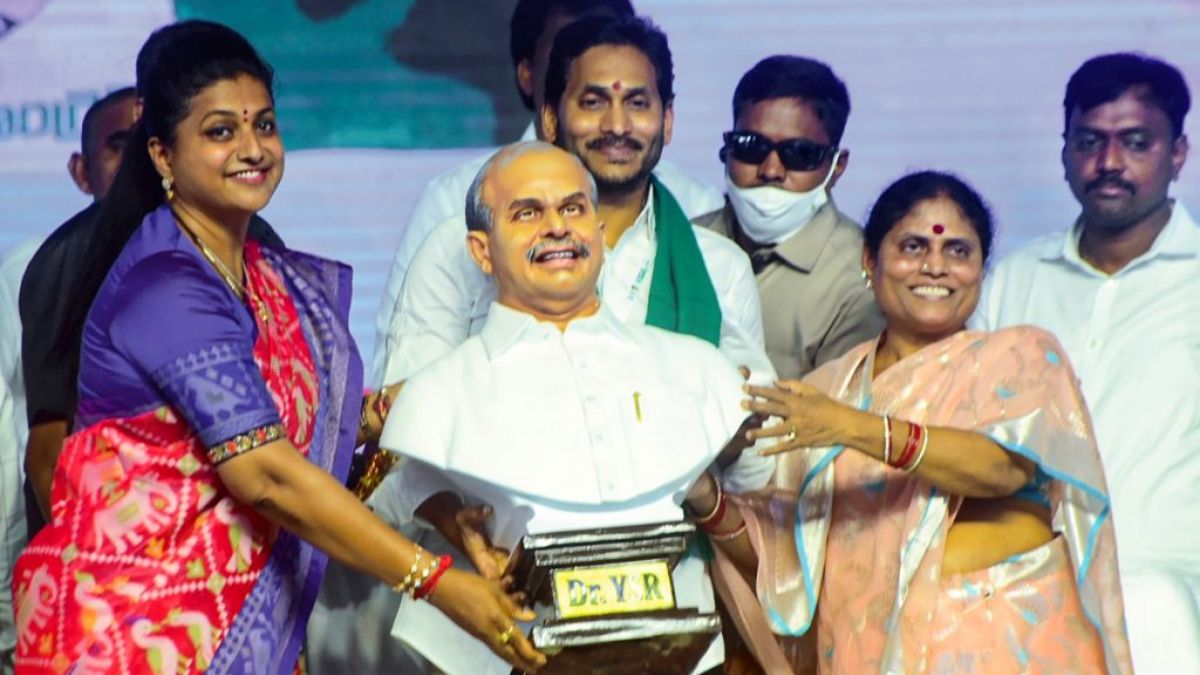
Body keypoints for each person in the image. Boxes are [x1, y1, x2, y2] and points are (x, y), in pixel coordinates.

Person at [10, 21, 544, 674]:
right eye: (219, 131)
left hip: (235, 627)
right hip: (133, 630)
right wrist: (435, 579)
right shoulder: (166, 285)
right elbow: (265, 472)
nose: (252, 147)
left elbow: (332, 428)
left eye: (263, 124)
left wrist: (450, 493)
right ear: (161, 154)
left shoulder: (263, 276)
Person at [697, 172, 1132, 674]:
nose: (935, 266)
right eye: (913, 245)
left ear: (981, 269)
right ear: (869, 261)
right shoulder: (827, 392)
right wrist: (705, 496)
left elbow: (1000, 469)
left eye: (959, 253)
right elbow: (789, 572)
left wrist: (854, 428)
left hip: (1005, 644)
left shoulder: (1017, 355)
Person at [378, 140, 768, 675]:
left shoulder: (699, 372)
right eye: (527, 213)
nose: (556, 227)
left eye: (572, 208)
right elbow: (390, 496)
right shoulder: (435, 397)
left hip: (676, 650)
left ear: (600, 237)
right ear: (481, 250)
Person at [973, 52, 1200, 673]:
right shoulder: (1014, 281)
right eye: (1090, 142)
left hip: (1170, 599)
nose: (1109, 164)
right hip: (1027, 598)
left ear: (1177, 152)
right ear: (1065, 150)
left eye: (1135, 143)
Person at [371, 0, 725, 385]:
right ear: (548, 109)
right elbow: (404, 399)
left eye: (636, 102)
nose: (617, 125)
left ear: (666, 116)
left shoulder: (704, 225)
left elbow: (749, 414)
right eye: (593, 101)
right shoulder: (453, 208)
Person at [697, 56, 883, 380]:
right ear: (726, 149)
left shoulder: (861, 282)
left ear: (837, 167)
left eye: (800, 154)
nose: (771, 170)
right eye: (751, 146)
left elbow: (836, 419)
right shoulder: (683, 243)